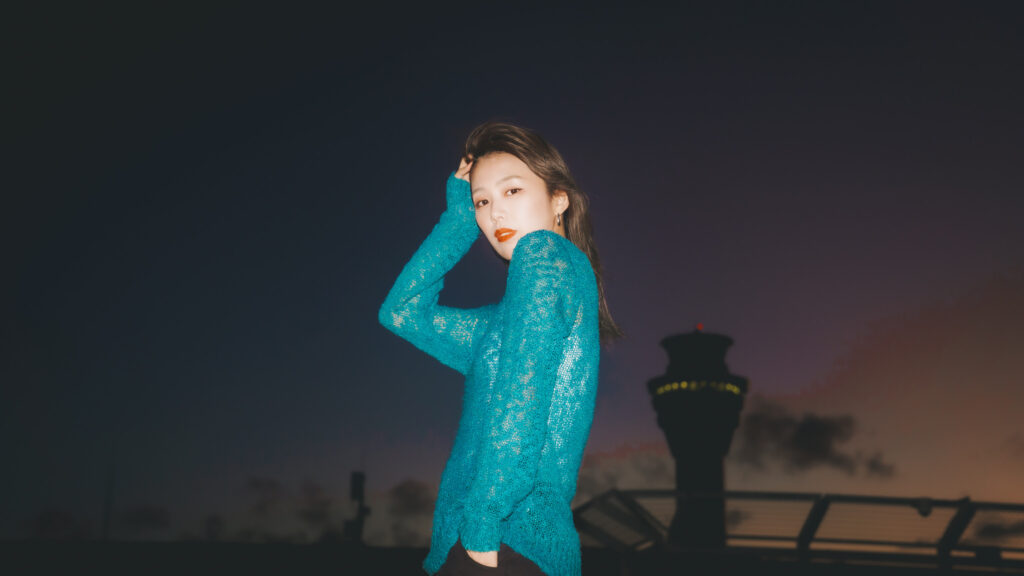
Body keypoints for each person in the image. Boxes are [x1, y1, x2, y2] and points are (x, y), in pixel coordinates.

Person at [378, 121, 622, 575]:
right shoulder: (496, 327)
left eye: (512, 191)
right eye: (482, 201)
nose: (494, 214)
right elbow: (401, 313)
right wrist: (457, 218)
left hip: (503, 542)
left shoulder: (544, 253)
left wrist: (482, 527)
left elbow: (520, 399)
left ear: (559, 199)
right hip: (486, 544)